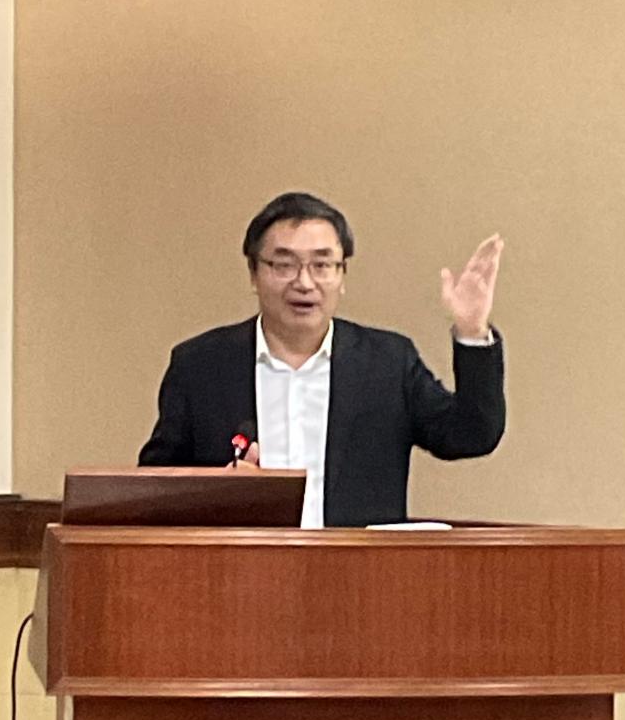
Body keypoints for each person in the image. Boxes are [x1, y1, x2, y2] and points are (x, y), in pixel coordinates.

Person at [138, 191, 505, 526]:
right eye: (284, 265)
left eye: (322, 265)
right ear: (254, 273)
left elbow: (472, 434)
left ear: (342, 275)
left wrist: (472, 330)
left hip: (355, 571)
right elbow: (153, 490)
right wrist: (218, 491)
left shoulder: (387, 363)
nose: (304, 282)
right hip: (239, 569)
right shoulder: (200, 366)